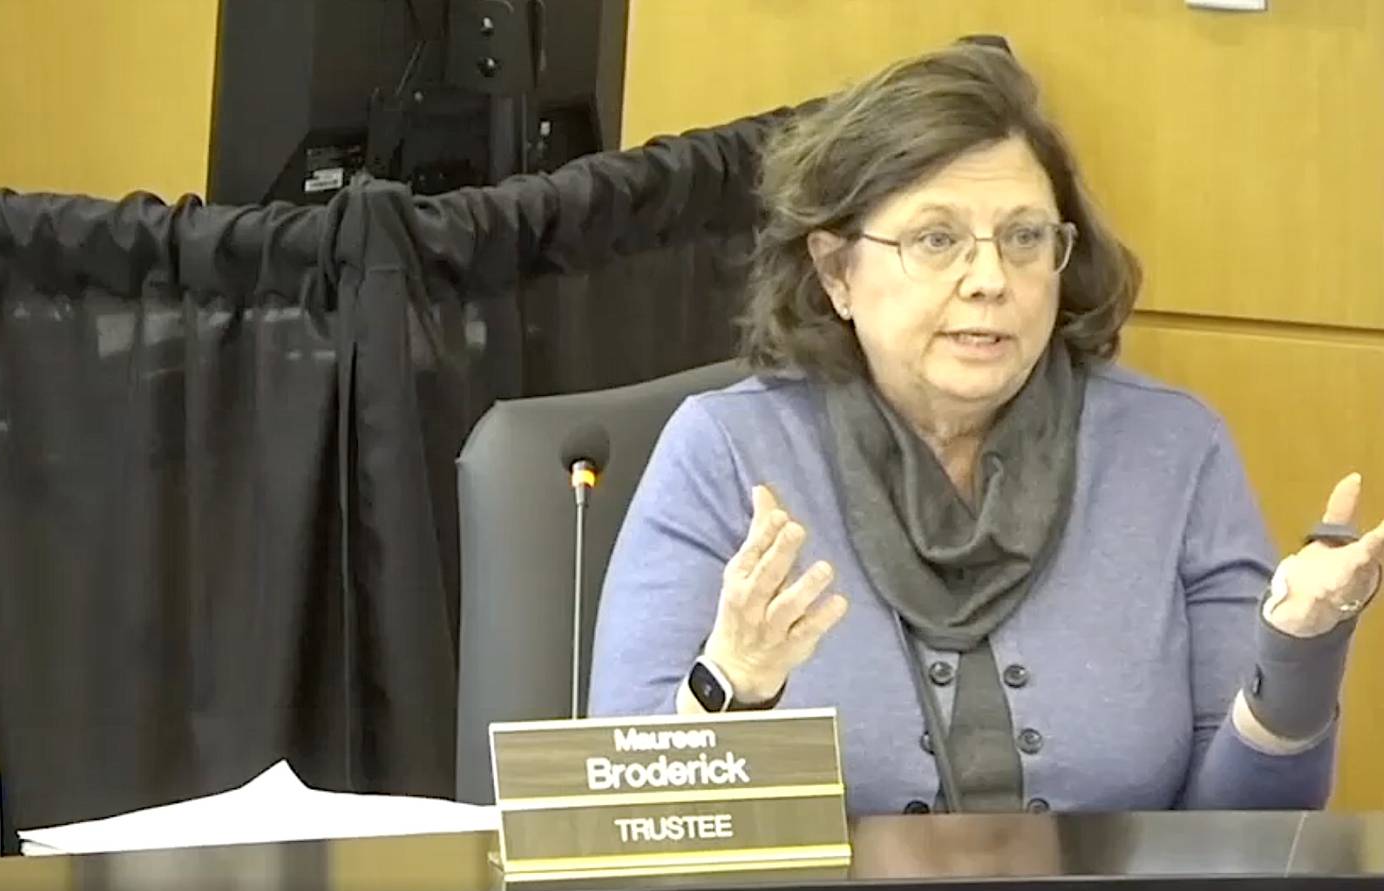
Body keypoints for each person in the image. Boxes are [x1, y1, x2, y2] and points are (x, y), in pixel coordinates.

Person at [587, 44, 1383, 815]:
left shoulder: (1172, 450)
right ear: (836, 273)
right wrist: (734, 684)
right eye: (937, 240)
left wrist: (1299, 653)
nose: (991, 279)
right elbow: (618, 815)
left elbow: (1242, 832)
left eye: (1025, 237)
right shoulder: (727, 453)